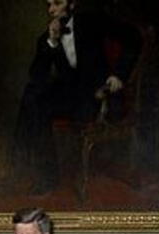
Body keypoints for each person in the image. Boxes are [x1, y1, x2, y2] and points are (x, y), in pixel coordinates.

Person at [13, 0, 142, 194]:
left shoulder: (92, 21)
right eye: (48, 5)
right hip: (72, 97)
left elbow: (133, 37)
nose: (51, 10)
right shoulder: (46, 38)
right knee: (33, 96)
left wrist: (119, 74)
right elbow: (37, 76)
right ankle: (46, 176)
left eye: (57, 3)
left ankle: (20, 158)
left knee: (34, 101)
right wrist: (52, 42)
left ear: (71, 4)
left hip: (100, 95)